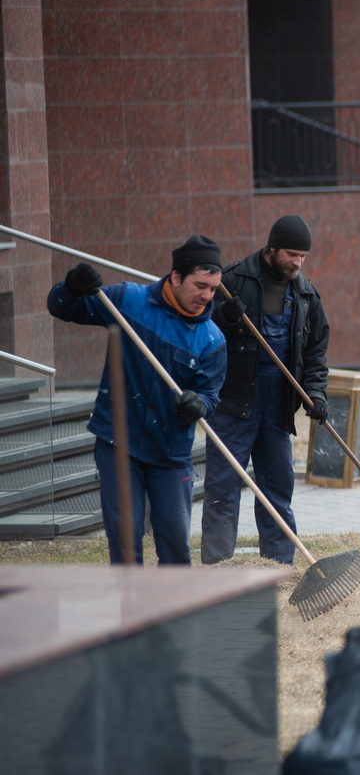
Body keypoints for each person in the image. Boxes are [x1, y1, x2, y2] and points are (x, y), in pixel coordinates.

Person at [47, 235, 227, 565]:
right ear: (175, 277)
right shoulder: (129, 301)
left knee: (175, 547)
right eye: (200, 285)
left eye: (213, 289)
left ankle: (174, 615)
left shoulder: (212, 339)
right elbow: (62, 307)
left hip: (171, 453)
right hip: (119, 443)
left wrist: (199, 404)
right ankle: (132, 615)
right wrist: (71, 286)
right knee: (126, 547)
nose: (207, 296)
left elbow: (210, 394)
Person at [201, 214, 330, 565]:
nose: (297, 262)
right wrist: (223, 316)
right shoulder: (231, 282)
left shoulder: (306, 294)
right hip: (233, 401)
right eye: (291, 254)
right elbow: (198, 331)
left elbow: (315, 354)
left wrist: (316, 394)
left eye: (303, 256)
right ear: (271, 248)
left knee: (277, 489)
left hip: (278, 405)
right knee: (222, 489)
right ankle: (216, 566)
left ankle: (278, 564)